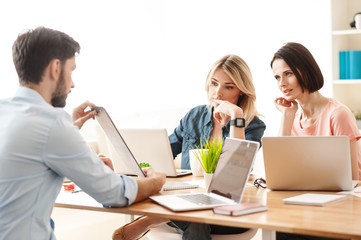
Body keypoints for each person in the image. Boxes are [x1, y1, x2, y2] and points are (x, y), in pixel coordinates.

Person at [0, 26, 166, 240]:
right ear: (55, 68)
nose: (72, 84)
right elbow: (113, 193)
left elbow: (27, 170)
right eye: (72, 70)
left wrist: (70, 132)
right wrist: (155, 181)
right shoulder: (50, 122)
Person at [112, 54, 266, 240]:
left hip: (225, 207)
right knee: (194, 217)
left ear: (241, 90)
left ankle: (155, 217)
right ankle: (159, 215)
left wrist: (236, 116)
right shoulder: (194, 116)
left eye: (229, 87)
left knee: (195, 218)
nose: (217, 93)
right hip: (186, 200)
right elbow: (163, 151)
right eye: (214, 83)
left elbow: (236, 171)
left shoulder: (253, 125)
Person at [271, 42, 361, 240]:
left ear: (305, 71)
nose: (282, 83)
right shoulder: (294, 116)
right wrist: (286, 116)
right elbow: (280, 170)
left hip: (340, 206)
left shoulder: (337, 114)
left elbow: (354, 180)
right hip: (306, 201)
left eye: (288, 74)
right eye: (277, 77)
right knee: (280, 225)